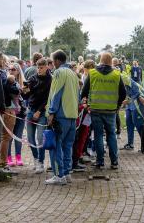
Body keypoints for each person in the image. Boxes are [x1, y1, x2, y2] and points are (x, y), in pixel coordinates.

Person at [81, 52, 126, 170]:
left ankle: (100, 162)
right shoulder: (117, 74)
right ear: (111, 62)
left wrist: (87, 103)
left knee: (98, 135)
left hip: (95, 109)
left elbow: (84, 91)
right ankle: (114, 161)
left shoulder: (93, 73)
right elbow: (123, 93)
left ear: (100, 61)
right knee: (111, 135)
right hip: (111, 110)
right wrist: (118, 105)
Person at [45, 50, 80, 185]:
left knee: (56, 146)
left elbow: (56, 94)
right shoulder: (73, 73)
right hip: (72, 116)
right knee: (67, 146)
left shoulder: (59, 72)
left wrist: (51, 112)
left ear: (57, 61)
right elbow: (78, 95)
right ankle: (66, 173)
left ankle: (59, 175)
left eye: (53, 61)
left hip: (61, 116)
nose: (52, 64)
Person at [23, 58, 52, 173]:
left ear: (46, 67)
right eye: (38, 67)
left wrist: (40, 111)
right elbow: (27, 96)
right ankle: (35, 159)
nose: (39, 70)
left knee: (40, 138)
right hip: (30, 110)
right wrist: (24, 91)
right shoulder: (32, 78)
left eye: (41, 67)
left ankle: (41, 161)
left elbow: (48, 99)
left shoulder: (51, 79)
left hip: (42, 112)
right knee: (30, 138)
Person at [7, 63, 26, 166]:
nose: (11, 71)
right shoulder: (6, 82)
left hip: (20, 114)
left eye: (13, 69)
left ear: (18, 71)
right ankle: (8, 157)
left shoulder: (23, 83)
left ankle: (18, 156)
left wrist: (25, 92)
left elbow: (27, 98)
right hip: (10, 113)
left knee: (18, 136)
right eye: (9, 69)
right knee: (9, 136)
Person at [120, 74, 144, 150]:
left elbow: (137, 94)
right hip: (129, 105)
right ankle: (130, 144)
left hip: (137, 105)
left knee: (138, 124)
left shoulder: (130, 82)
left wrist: (127, 101)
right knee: (129, 123)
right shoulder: (121, 81)